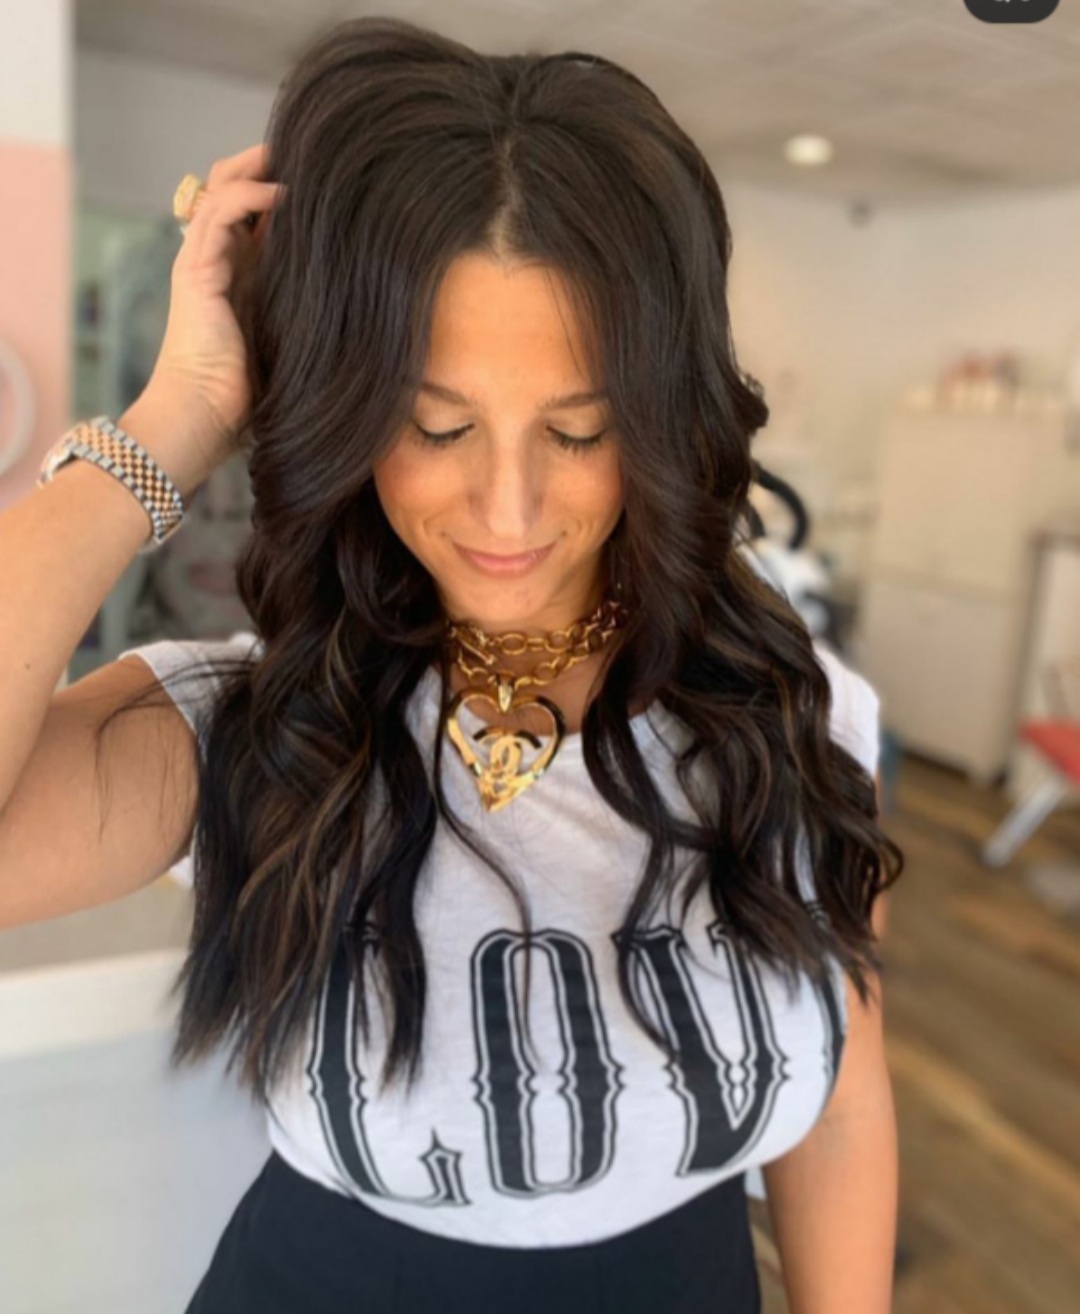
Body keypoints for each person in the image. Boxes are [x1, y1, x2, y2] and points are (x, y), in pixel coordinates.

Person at [0, 16, 904, 1313]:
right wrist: (177, 414)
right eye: (435, 425)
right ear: (350, 409)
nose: (508, 507)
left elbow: (845, 1101)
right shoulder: (262, 726)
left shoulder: (795, 721)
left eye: (579, 431)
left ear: (662, 423)